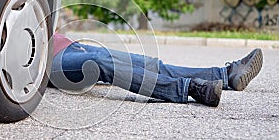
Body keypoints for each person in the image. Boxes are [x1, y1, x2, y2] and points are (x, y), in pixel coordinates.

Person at [49, 33, 263, 107]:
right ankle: (191, 89)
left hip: (69, 46)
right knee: (99, 64)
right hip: (46, 64)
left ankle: (227, 76)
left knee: (149, 63)